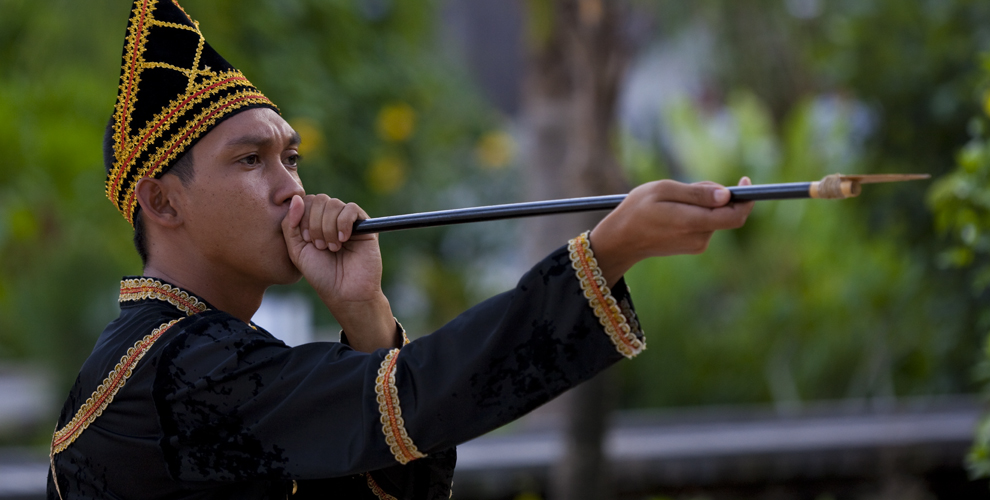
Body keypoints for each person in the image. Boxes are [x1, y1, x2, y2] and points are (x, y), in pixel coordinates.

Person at [47, 1, 754, 499]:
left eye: (290, 158)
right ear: (163, 201)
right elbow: (412, 398)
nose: (291, 190)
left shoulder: (200, 354)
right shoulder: (172, 369)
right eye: (250, 161)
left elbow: (396, 477)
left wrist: (365, 314)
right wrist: (607, 253)